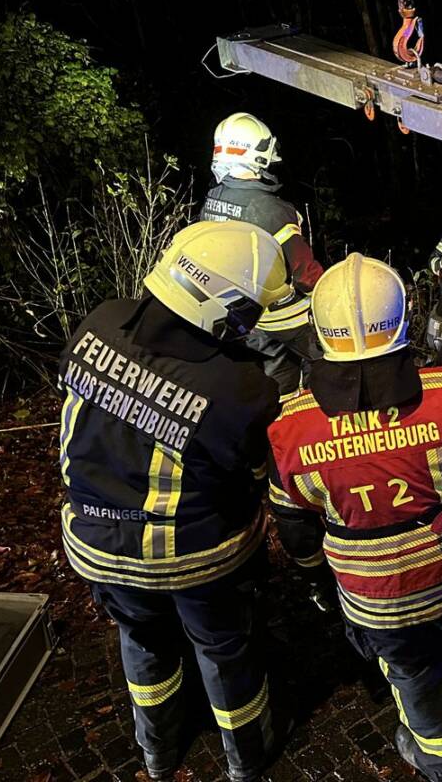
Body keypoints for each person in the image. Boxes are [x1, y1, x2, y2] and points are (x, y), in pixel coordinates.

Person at [266, 253, 442, 781]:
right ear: (403, 325)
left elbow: (294, 527)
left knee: (415, 676)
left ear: (320, 333)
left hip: (376, 599)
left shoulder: (288, 429)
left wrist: (316, 579)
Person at [57, 220, 290, 780]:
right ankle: (247, 759)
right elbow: (250, 480)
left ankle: (157, 752)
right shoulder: (242, 390)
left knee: (143, 641)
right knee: (222, 649)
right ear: (228, 310)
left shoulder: (102, 320)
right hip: (194, 557)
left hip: (93, 541)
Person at [200, 111, 325, 396]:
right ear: (255, 156)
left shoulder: (212, 201)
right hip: (274, 315)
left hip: (231, 314)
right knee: (327, 353)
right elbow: (306, 276)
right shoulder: (273, 211)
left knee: (261, 387)